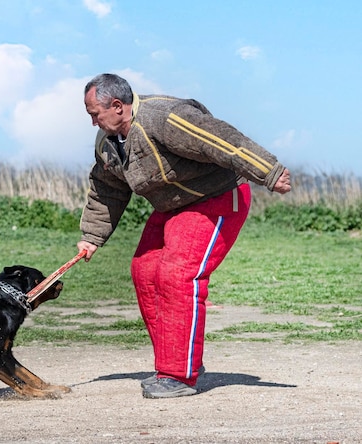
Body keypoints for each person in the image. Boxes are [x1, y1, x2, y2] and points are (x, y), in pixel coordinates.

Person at [76, 73, 291, 399]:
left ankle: (180, 374)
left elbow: (221, 139)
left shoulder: (164, 117)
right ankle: (172, 362)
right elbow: (107, 189)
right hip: (173, 207)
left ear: (117, 106)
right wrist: (92, 236)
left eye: (95, 113)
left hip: (218, 198)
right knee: (145, 271)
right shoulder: (107, 144)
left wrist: (268, 171)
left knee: (178, 273)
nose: (93, 122)